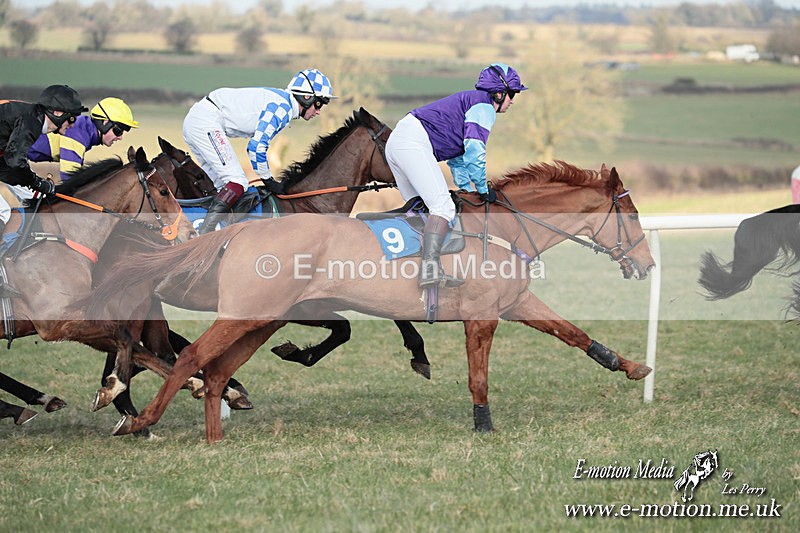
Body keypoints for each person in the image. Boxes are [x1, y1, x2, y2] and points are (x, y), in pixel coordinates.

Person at [385, 62, 527, 288]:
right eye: (513, 95)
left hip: (399, 142)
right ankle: (429, 270)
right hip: (412, 144)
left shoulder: (471, 102)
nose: (512, 101)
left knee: (419, 208)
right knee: (443, 208)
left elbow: (458, 158)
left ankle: (405, 266)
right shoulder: (484, 107)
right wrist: (482, 188)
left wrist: (466, 189)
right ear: (499, 93)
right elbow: (474, 150)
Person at [183, 68, 336, 234]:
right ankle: (204, 236)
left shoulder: (282, 102)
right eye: (319, 103)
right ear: (306, 97)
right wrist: (268, 180)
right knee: (237, 182)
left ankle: (211, 231)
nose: (319, 111)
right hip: (206, 121)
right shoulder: (282, 107)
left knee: (223, 188)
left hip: (199, 120)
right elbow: (256, 146)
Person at [0, 85, 88, 233]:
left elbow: (8, 166)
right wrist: (36, 182)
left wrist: (37, 186)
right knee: (3, 215)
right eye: (71, 118)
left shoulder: (30, 116)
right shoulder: (31, 121)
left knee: (32, 198)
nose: (72, 125)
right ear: (57, 113)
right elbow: (15, 163)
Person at [27, 97, 139, 184]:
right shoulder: (78, 132)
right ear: (105, 123)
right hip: (11, 152)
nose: (120, 137)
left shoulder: (85, 130)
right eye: (118, 131)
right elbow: (69, 179)